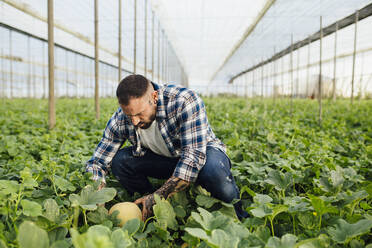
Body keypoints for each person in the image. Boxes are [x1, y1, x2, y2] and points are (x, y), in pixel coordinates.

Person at [86, 74, 248, 220]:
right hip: (164, 159)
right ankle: (146, 204)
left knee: (212, 170)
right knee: (120, 161)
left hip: (203, 154)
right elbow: (97, 163)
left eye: (139, 114)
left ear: (154, 97)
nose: (134, 121)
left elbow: (192, 159)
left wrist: (159, 196)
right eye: (129, 115)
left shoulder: (184, 101)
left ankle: (239, 216)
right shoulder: (121, 119)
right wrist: (97, 197)